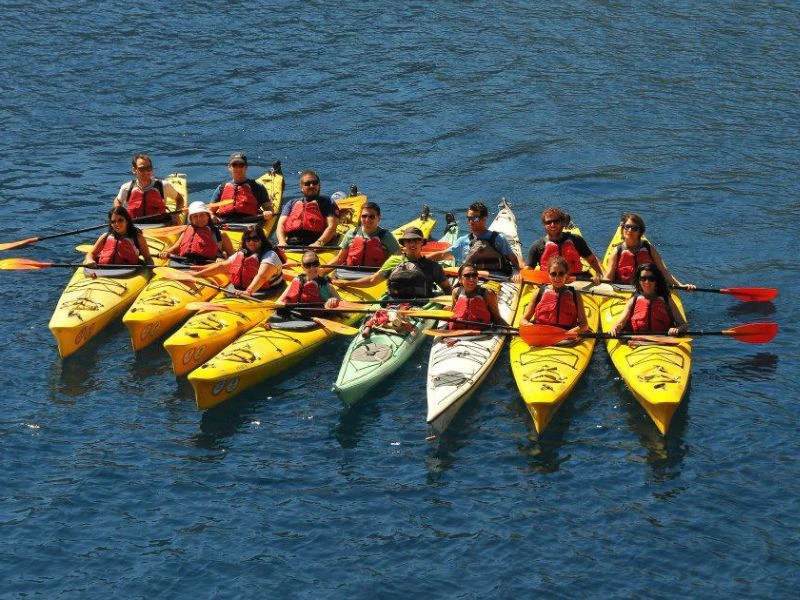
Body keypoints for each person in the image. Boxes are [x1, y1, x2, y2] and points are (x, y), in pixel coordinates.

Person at [332, 227, 452, 298]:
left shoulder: (432, 266)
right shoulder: (394, 261)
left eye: (416, 240)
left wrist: (448, 304)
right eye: (409, 241)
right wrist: (345, 284)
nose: (412, 244)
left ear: (422, 243)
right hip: (394, 304)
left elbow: (447, 288)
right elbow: (372, 280)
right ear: (404, 244)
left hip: (421, 306)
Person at [428, 202, 524, 275]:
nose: (471, 222)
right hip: (472, 279)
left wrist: (521, 272)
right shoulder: (463, 241)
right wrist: (420, 260)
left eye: (475, 219)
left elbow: (515, 260)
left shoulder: (498, 239)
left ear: (484, 218)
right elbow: (442, 255)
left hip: (497, 279)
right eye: (469, 218)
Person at [603, 212, 695, 289]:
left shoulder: (649, 249)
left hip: (647, 289)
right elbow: (608, 278)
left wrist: (681, 286)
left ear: (640, 231)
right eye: (627, 227)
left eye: (634, 228)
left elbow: (664, 272)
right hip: (623, 289)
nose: (630, 230)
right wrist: (600, 283)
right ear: (622, 229)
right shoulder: (617, 251)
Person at [192, 225, 286, 296]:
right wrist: (198, 274)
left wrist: (248, 292)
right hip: (239, 290)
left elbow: (262, 277)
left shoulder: (270, 255)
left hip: (266, 293)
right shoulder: (242, 254)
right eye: (248, 239)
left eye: (255, 238)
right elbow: (223, 266)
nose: (251, 242)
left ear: (262, 240)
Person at [609, 263, 688, 337]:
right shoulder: (633, 300)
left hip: (663, 340)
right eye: (643, 278)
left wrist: (677, 329)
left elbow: (683, 325)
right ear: (639, 281)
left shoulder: (666, 300)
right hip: (637, 341)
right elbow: (620, 323)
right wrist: (615, 328)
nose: (647, 282)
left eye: (651, 279)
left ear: (656, 281)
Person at [526, 207, 603, 283]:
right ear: (544, 225)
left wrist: (599, 273)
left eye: (556, 221)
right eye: (548, 222)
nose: (552, 225)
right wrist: (519, 276)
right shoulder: (537, 246)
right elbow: (528, 270)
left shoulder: (576, 240)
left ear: (562, 223)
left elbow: (591, 259)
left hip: (576, 280)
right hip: (550, 282)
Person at [520, 256, 589, 335]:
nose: (557, 278)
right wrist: (531, 327)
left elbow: (584, 325)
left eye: (561, 274)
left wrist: (569, 333)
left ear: (566, 274)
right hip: (542, 336)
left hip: (566, 338)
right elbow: (523, 320)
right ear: (548, 275)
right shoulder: (539, 293)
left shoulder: (575, 295)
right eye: (553, 274)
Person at [276, 170, 340, 247]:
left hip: (317, 244)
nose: (312, 185)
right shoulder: (291, 203)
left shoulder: (327, 202)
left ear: (319, 185)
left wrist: (319, 243)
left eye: (315, 182)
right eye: (307, 184)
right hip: (291, 244)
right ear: (301, 188)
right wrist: (282, 242)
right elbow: (281, 225)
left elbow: (332, 226)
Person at [113, 153, 184, 223]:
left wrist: (176, 214)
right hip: (134, 227)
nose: (146, 172)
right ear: (134, 170)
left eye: (148, 168)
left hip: (160, 225)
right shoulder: (127, 188)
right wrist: (119, 214)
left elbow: (180, 199)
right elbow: (118, 200)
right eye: (142, 169)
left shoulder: (163, 186)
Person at [158, 201, 234, 264]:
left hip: (208, 266)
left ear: (208, 216)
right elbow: (175, 248)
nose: (199, 219)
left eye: (202, 215)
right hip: (184, 264)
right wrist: (166, 252)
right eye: (195, 216)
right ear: (190, 219)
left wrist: (224, 261)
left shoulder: (219, 234)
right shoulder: (187, 231)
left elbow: (233, 258)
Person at [329, 202, 401, 267]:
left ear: (379, 218)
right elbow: (340, 259)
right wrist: (320, 272)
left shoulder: (386, 236)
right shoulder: (351, 233)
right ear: (360, 218)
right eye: (364, 216)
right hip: (350, 274)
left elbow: (398, 260)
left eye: (371, 217)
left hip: (375, 277)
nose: (367, 220)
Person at [208, 152, 273, 222]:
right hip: (224, 224)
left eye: (241, 165)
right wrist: (211, 216)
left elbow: (268, 208)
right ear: (229, 167)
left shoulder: (257, 187)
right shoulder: (221, 188)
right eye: (234, 165)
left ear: (246, 167)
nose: (238, 168)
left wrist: (268, 212)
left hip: (251, 223)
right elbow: (210, 211)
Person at [85, 206, 153, 267]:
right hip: (103, 271)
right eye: (113, 221)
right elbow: (91, 253)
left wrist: (150, 270)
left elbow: (148, 258)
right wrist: (90, 260)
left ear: (127, 221)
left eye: (120, 220)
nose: (116, 224)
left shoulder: (137, 238)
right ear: (111, 224)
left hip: (129, 273)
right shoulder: (105, 236)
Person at [449, 262, 508, 330]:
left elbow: (497, 318)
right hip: (458, 332)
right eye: (467, 276)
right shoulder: (456, 292)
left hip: (482, 333)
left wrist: (508, 330)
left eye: (474, 275)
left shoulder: (487, 294)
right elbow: (452, 314)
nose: (472, 279)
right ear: (460, 279)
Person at [277, 251, 341, 311]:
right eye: (308, 265)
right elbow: (280, 301)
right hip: (300, 316)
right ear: (303, 267)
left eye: (315, 264)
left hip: (322, 315)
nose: (312, 268)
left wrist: (334, 300)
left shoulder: (327, 286)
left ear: (319, 265)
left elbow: (341, 303)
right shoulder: (297, 281)